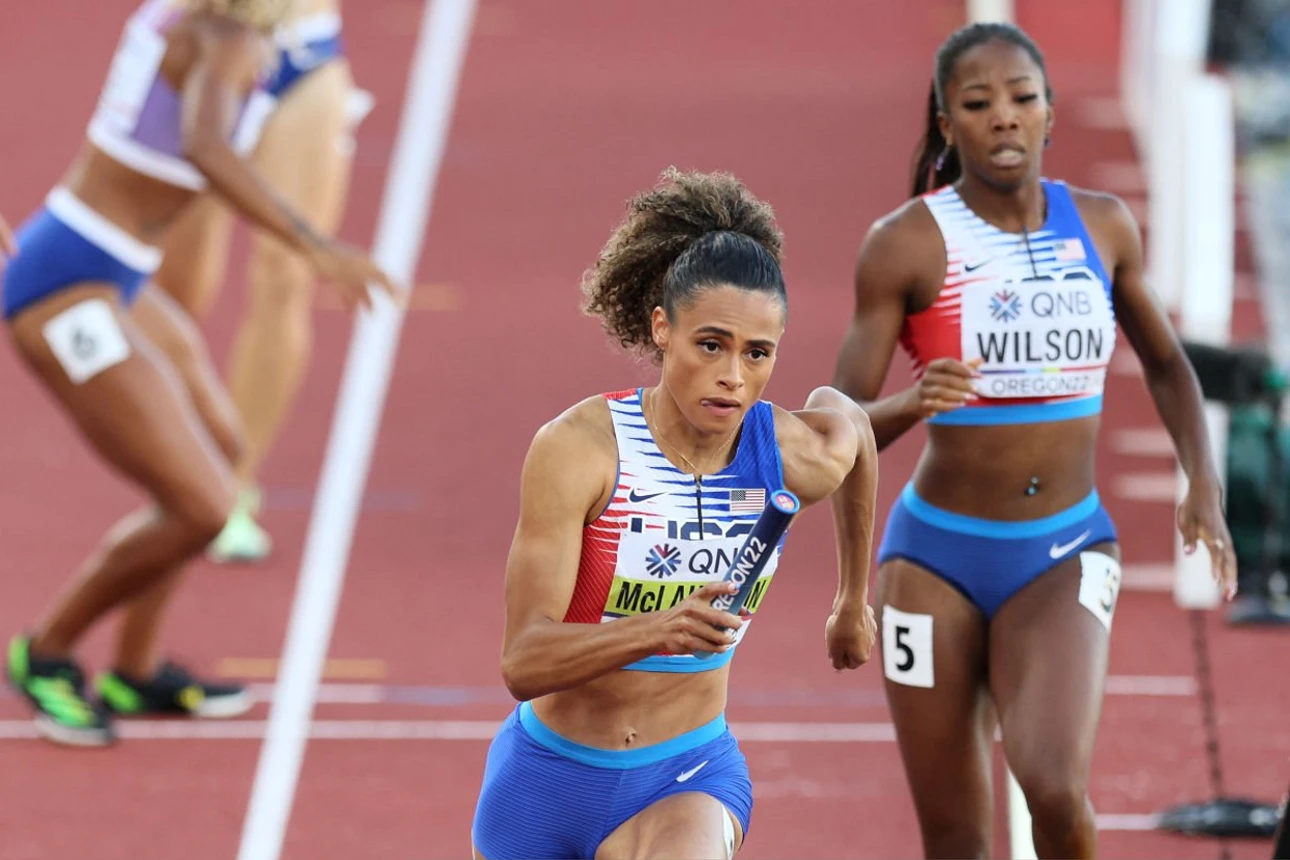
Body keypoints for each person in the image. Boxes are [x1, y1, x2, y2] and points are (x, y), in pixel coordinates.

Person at [832, 21, 1237, 860]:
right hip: (931, 561)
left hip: (1064, 550)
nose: (1005, 119)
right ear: (948, 124)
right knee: (955, 838)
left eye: (1022, 100)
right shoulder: (905, 244)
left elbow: (1168, 367)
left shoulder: (1105, 226)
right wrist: (912, 404)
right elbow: (827, 428)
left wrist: (1203, 480)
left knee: (1052, 786)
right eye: (979, 104)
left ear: (1051, 113)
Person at [2, 0, 396, 747]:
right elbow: (209, 150)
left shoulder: (191, 19)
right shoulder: (224, 41)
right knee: (204, 506)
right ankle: (46, 652)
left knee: (220, 453)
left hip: (117, 271)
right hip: (65, 284)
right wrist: (316, 244)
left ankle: (134, 667)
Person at [470, 168, 880, 860]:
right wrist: (660, 628)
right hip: (544, 782)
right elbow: (523, 659)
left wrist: (851, 599)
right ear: (662, 328)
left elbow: (855, 431)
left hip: (685, 775)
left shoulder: (784, 453)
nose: (733, 376)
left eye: (758, 354)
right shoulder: (582, 450)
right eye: (711, 345)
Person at [146, 0, 366, 563]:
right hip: (206, 43)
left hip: (300, 53)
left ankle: (232, 488)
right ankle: (178, 465)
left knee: (284, 278)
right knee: (178, 291)